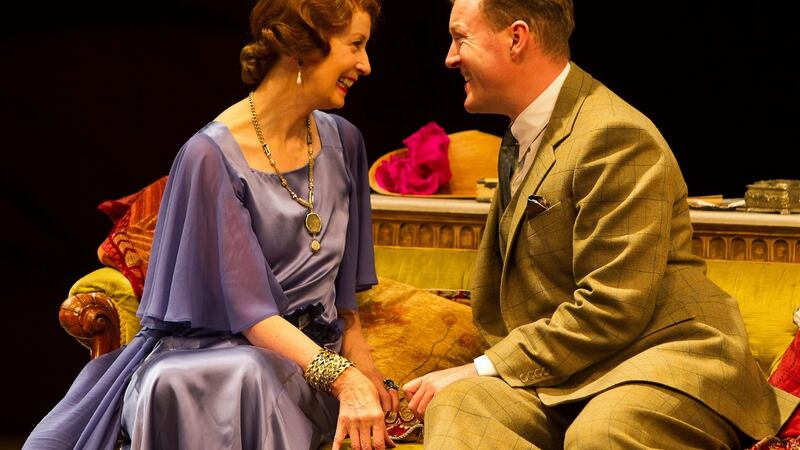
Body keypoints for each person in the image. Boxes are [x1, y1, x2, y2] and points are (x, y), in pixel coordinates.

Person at [402, 0, 800, 448]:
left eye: (460, 37)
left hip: (663, 359)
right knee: (459, 405)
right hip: (576, 372)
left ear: (516, 38)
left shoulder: (615, 137)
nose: (450, 57)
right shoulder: (524, 133)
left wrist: (483, 365)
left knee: (605, 432)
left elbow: (612, 307)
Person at [23, 1, 399, 449]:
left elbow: (344, 302)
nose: (365, 64)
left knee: (253, 377)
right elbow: (254, 317)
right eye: (355, 45)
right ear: (305, 45)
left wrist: (365, 372)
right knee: (220, 378)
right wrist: (345, 380)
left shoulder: (345, 141)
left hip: (305, 364)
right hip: (216, 355)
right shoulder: (210, 156)